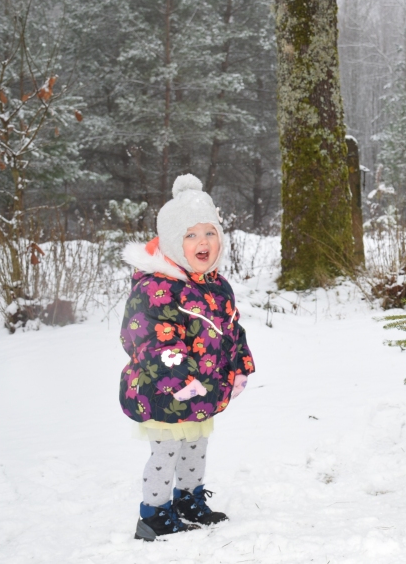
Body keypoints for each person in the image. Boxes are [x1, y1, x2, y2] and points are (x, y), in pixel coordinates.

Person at [119, 174, 255, 541]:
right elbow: (145, 338)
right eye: (191, 235)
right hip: (163, 390)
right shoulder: (156, 286)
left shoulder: (214, 285)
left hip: (203, 388)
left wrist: (240, 364)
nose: (202, 242)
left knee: (196, 445)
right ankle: (154, 514)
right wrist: (180, 380)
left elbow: (231, 330)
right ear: (172, 241)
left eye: (209, 233)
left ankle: (188, 500)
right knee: (166, 452)